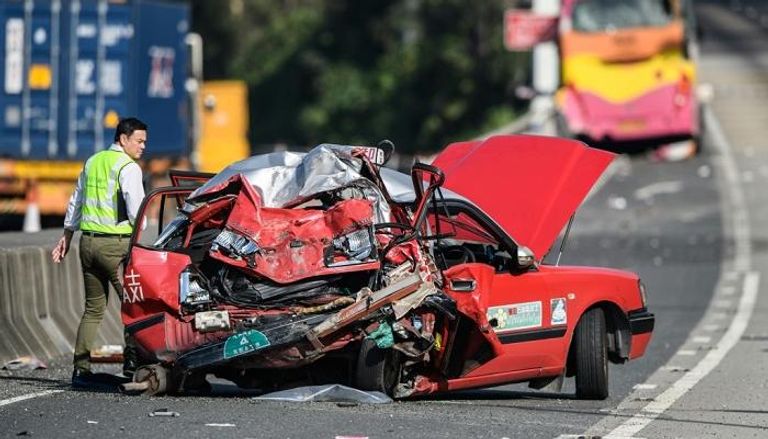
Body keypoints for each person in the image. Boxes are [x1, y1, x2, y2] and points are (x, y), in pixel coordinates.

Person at [51, 117, 147, 388]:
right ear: (123, 139)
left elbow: (76, 200)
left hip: (87, 244)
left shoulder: (92, 161)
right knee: (134, 308)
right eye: (139, 141)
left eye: (144, 142)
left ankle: (80, 370)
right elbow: (138, 214)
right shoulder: (129, 168)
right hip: (115, 247)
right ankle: (133, 365)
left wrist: (67, 236)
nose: (143, 147)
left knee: (93, 308)